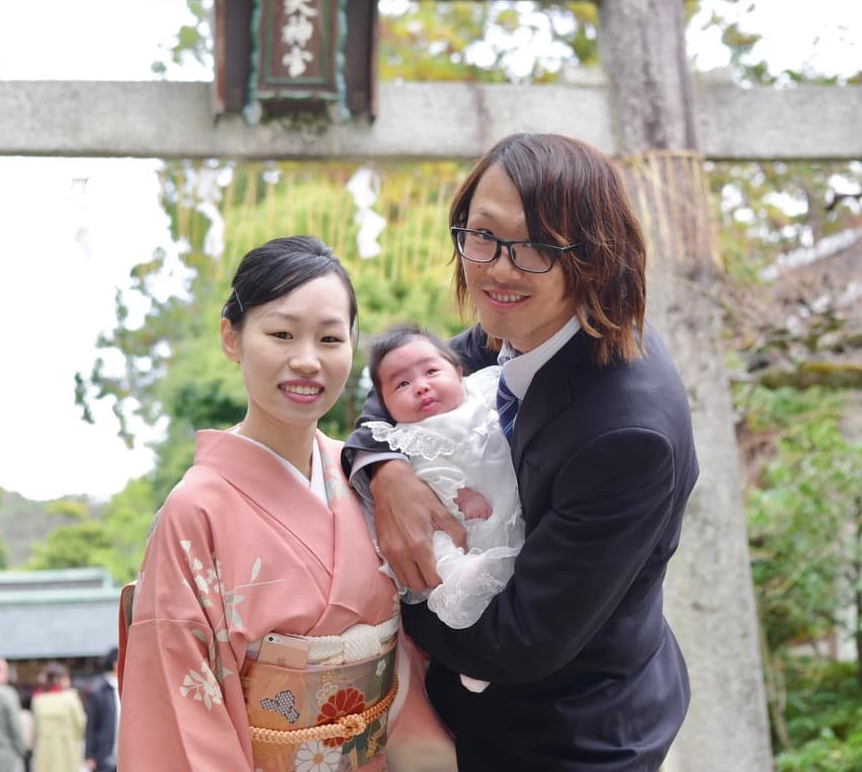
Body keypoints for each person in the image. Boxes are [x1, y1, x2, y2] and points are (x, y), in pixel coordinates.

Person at [345, 132, 701, 772]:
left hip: (570, 737)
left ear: (594, 255)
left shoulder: (626, 434)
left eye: (537, 245)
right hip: (474, 711)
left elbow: (520, 641)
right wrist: (387, 470)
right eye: (483, 236)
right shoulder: (523, 322)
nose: (499, 269)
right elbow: (398, 385)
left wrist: (391, 595)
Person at [118, 235, 454, 772]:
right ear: (231, 338)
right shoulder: (194, 511)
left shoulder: (369, 476)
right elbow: (179, 707)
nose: (307, 361)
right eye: (281, 334)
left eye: (330, 338)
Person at [361, 324, 522, 632]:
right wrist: (460, 495)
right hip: (464, 521)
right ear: (384, 405)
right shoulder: (411, 435)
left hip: (509, 499)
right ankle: (459, 578)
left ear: (459, 372)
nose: (421, 386)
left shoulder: (480, 392)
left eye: (431, 372)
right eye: (402, 384)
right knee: (438, 543)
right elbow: (429, 477)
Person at [28, 662, 85, 772]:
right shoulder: (71, 698)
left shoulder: (38, 700)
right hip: (68, 750)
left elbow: (35, 730)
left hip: (45, 752)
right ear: (60, 679)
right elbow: (80, 724)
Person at [83, 647, 118, 772]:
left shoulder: (129, 686)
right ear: (115, 663)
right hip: (104, 755)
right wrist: (89, 756)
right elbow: (91, 725)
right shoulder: (98, 690)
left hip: (125, 753)